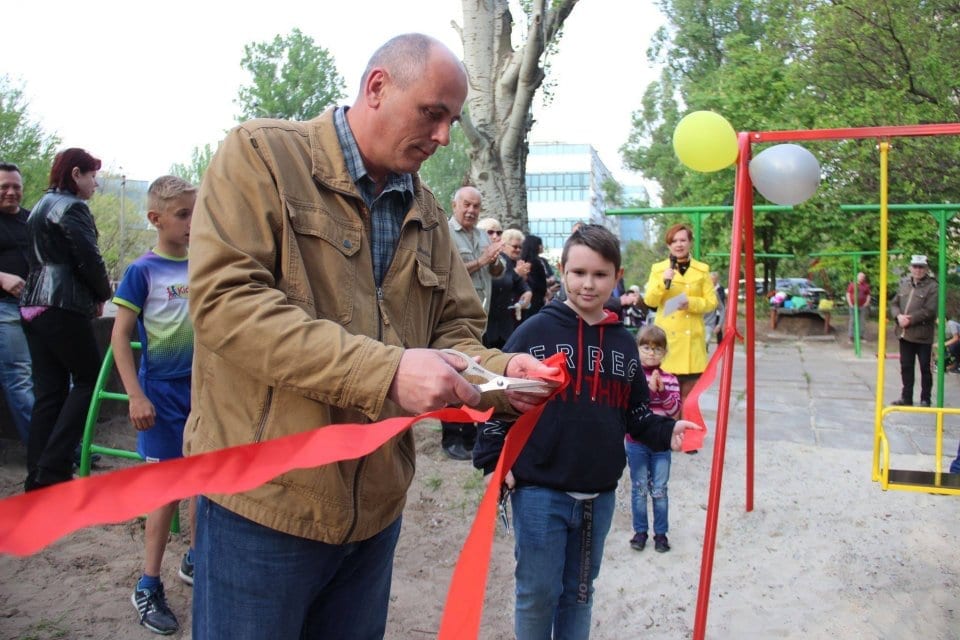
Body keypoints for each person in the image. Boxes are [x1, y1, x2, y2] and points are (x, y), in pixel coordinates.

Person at [183, 33, 557, 640]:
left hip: (376, 513)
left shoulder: (428, 213)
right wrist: (387, 372)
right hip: (264, 504)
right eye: (431, 114)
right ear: (377, 87)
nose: (442, 137)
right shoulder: (260, 157)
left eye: (451, 121)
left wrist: (500, 376)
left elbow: (455, 332)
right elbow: (228, 306)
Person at [473, 224, 694, 640]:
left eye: (599, 274)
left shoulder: (625, 342)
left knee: (578, 593)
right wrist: (495, 462)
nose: (588, 284)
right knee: (537, 592)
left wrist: (667, 431)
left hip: (598, 495)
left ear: (617, 275)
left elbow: (637, 415)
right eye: (578, 273)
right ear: (562, 270)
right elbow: (496, 397)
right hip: (539, 491)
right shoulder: (534, 333)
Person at [111, 176, 197, 635]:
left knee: (205, 481)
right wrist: (136, 395)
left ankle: (195, 561)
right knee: (165, 493)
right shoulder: (141, 271)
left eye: (195, 212)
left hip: (199, 392)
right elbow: (119, 337)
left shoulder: (203, 264)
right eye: (183, 214)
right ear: (155, 219)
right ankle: (148, 584)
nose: (192, 221)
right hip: (159, 394)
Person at [20, 148, 112, 491]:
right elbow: (89, 259)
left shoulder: (38, 209)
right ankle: (54, 468)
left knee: (49, 392)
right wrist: (102, 293)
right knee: (89, 379)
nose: (96, 184)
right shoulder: (72, 208)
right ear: (76, 174)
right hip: (62, 303)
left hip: (32, 305)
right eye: (92, 176)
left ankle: (38, 476)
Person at [442, 187, 504, 459]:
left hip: (482, 318)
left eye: (476, 206)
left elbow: (496, 272)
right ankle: (452, 437)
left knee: (476, 376)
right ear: (454, 204)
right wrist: (481, 260)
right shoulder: (444, 233)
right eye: (466, 204)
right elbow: (448, 269)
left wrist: (495, 260)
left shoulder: (481, 234)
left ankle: (471, 435)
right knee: (453, 374)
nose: (471, 211)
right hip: (455, 317)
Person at [643, 223, 718, 406]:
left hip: (692, 343)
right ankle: (667, 433)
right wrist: (663, 282)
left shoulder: (702, 270)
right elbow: (650, 301)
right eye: (674, 241)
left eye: (683, 240)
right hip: (667, 342)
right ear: (668, 245)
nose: (679, 244)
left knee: (689, 400)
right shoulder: (658, 269)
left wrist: (691, 303)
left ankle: (687, 434)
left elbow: (711, 302)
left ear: (690, 242)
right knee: (665, 398)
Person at [626, 325, 680, 553]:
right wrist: (647, 391)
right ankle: (640, 531)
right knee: (639, 489)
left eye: (657, 349)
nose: (651, 353)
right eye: (646, 348)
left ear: (665, 353)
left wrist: (662, 392)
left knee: (659, 489)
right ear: (637, 349)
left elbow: (675, 411)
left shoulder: (670, 379)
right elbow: (629, 407)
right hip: (636, 442)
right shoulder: (632, 378)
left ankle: (661, 534)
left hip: (661, 442)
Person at [0, 163, 34, 444]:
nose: (11, 192)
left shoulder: (31, 220)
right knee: (20, 379)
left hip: (37, 308)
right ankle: (43, 450)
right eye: (4, 187)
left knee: (58, 379)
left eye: (16, 187)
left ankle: (67, 446)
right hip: (5, 310)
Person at [890, 255, 938, 407]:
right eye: (915, 266)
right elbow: (894, 303)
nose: (918, 270)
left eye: (921, 267)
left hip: (923, 335)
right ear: (910, 267)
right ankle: (907, 397)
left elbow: (930, 310)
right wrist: (898, 316)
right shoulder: (904, 284)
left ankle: (925, 399)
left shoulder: (933, 287)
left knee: (925, 367)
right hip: (905, 334)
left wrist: (910, 319)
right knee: (906, 366)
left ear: (926, 269)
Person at [481, 223, 531, 350]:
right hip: (484, 328)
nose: (495, 236)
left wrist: (524, 299)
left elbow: (524, 288)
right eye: (490, 232)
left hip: (505, 329)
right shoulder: (479, 259)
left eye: (499, 233)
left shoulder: (506, 261)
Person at [519, 234, 549, 320]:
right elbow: (540, 284)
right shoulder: (536, 263)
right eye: (540, 244)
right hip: (536, 299)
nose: (542, 246)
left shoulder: (523, 260)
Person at [703, 271, 726, 350]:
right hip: (696, 322)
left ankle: (719, 347)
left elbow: (722, 308)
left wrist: (719, 325)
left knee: (707, 338)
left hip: (710, 321)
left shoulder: (716, 292)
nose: (712, 281)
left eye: (714, 279)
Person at [846, 271, 871, 342]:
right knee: (852, 321)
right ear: (857, 277)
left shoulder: (866, 286)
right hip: (853, 305)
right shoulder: (852, 284)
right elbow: (848, 294)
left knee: (862, 321)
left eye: (863, 277)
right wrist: (850, 303)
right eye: (860, 276)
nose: (862, 278)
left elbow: (868, 295)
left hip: (862, 306)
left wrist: (866, 303)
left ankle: (861, 336)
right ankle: (851, 337)